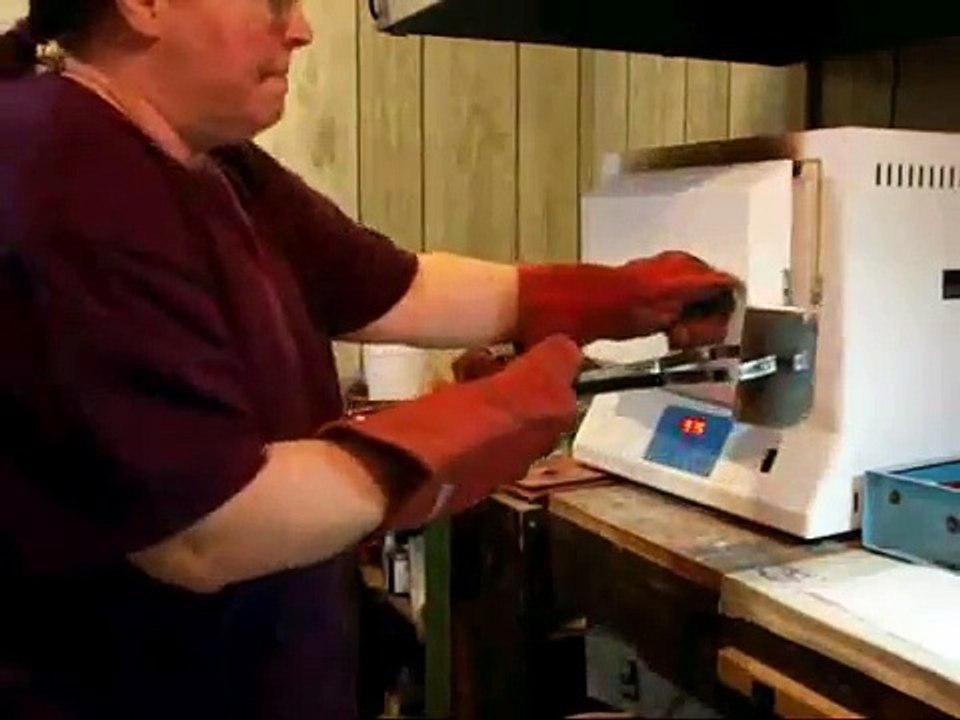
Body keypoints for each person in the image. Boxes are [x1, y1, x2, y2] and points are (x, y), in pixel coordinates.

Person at [0, 1, 740, 718]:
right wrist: (476, 422)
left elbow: (394, 288)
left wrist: (600, 296)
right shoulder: (65, 170)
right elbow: (208, 531)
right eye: (273, 0)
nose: (301, 30)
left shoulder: (202, 154)